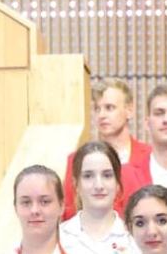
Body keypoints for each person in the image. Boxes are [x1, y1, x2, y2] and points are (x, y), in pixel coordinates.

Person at [62, 79, 150, 217]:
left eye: (109, 108)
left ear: (129, 110)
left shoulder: (150, 156)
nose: (101, 115)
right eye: (97, 109)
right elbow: (69, 213)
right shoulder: (76, 160)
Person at [59, 140, 136, 254]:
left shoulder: (134, 239)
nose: (98, 185)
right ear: (76, 184)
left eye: (107, 175)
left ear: (117, 183)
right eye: (88, 176)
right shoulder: (58, 239)